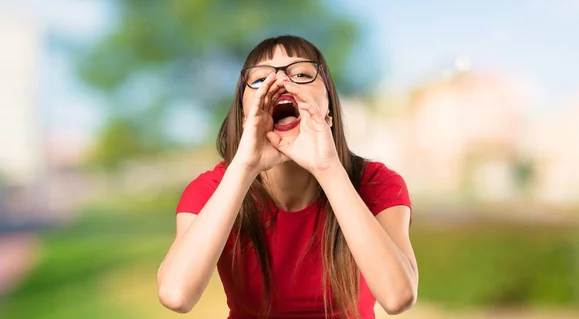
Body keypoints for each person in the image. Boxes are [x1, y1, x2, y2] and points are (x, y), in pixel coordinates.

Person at [157, 35, 418, 319]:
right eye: (259, 79)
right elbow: (176, 295)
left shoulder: (378, 184)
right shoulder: (211, 190)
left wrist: (328, 167)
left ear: (329, 104)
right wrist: (245, 166)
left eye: (301, 74)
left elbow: (398, 297)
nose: (281, 83)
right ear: (244, 114)